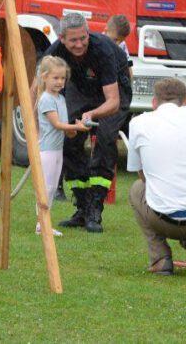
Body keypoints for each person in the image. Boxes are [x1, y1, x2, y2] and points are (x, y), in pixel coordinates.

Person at [126, 78, 186, 279]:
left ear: (154, 101)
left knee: (137, 189)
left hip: (166, 220)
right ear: (185, 99)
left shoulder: (138, 122)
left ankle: (160, 258)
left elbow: (140, 173)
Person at [46, 12, 131, 233]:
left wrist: (91, 115)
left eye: (83, 38)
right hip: (83, 87)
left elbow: (113, 101)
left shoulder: (101, 48)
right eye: (73, 40)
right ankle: (82, 207)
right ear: (62, 39)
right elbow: (37, 84)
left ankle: (95, 208)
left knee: (104, 138)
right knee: (68, 139)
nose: (79, 44)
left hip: (114, 92)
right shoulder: (56, 50)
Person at [34, 56, 89, 236]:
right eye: (55, 78)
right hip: (47, 150)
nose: (59, 82)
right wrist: (76, 127)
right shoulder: (47, 99)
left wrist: (73, 129)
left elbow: (65, 126)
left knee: (51, 187)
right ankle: (41, 224)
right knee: (47, 188)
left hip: (57, 150)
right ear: (45, 77)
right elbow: (57, 124)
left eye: (62, 78)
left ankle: (44, 224)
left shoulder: (60, 99)